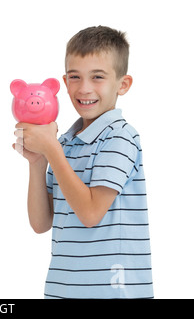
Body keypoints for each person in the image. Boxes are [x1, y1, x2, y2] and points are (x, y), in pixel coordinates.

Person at [13, 26, 153, 298]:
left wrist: (52, 151)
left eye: (97, 77)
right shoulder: (65, 143)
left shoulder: (120, 137)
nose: (84, 88)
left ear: (122, 84)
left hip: (114, 291)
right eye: (75, 77)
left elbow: (90, 214)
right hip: (64, 289)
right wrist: (38, 162)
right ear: (64, 83)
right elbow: (40, 223)